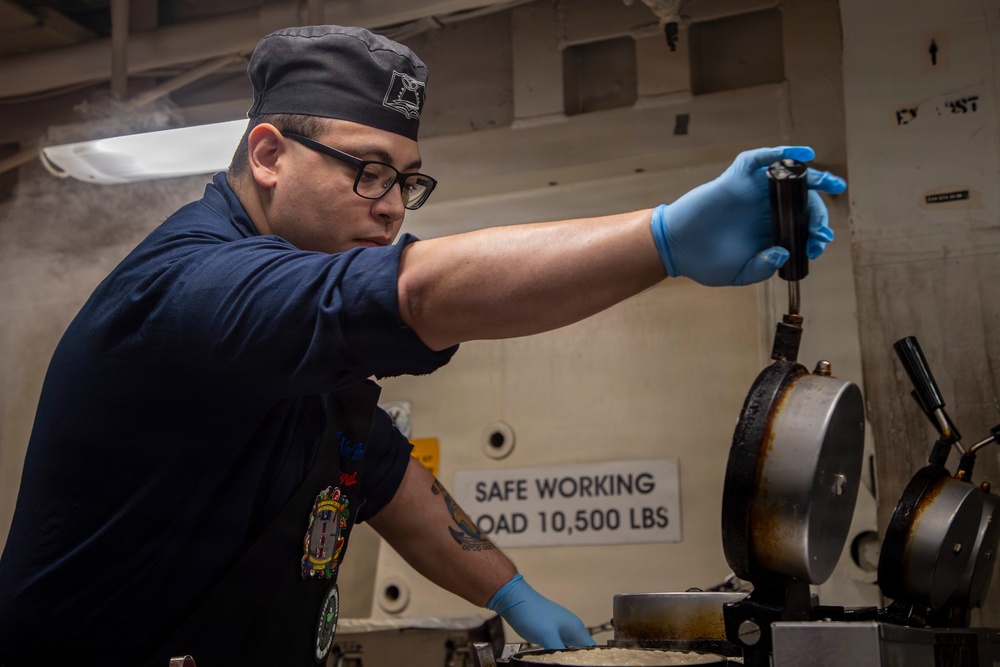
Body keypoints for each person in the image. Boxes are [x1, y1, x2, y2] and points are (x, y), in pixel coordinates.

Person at [0, 24, 846, 667]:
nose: (394, 205)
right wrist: (660, 240)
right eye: (368, 171)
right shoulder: (195, 287)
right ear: (267, 154)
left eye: (407, 180)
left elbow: (380, 469)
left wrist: (511, 590)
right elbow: (420, 291)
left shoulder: (290, 334)